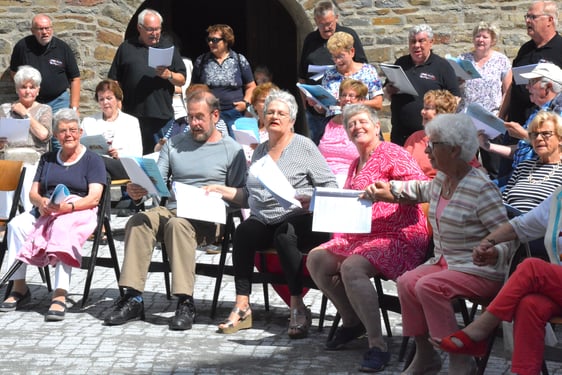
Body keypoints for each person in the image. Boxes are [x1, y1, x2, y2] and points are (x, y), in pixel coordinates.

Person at [367, 113, 516, 374]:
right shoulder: (442, 179)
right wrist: (389, 189)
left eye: (433, 144)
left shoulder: (482, 188)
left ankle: (459, 358)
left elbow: (508, 238)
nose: (427, 149)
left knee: (428, 286)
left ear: (455, 149)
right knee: (406, 281)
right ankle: (426, 356)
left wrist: (494, 251)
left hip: (480, 270)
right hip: (446, 263)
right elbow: (418, 189)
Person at [103, 90, 247, 331]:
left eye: (200, 117)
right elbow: (157, 180)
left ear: (215, 115)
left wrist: (218, 193)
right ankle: (133, 296)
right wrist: (141, 189)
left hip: (208, 218)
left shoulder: (231, 150)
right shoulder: (175, 144)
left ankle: (185, 301)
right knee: (140, 220)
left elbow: (241, 196)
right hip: (174, 209)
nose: (194, 123)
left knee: (178, 225)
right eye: (190, 118)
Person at [204, 90, 337, 338]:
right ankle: (242, 305)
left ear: (291, 120)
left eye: (281, 113)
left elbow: (330, 186)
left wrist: (311, 200)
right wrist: (220, 190)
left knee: (284, 236)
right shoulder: (260, 151)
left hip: (301, 217)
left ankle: (297, 306)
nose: (274, 116)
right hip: (265, 218)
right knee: (244, 232)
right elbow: (249, 195)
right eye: (270, 112)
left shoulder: (304, 146)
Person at [307, 104, 430, 372]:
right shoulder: (354, 164)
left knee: (352, 266)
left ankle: (377, 345)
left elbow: (422, 187)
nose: (357, 127)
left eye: (363, 122)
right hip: (360, 235)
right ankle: (353, 321)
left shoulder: (392, 153)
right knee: (316, 259)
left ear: (377, 126)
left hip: (399, 233)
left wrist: (390, 192)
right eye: (351, 124)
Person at [433, 186, 562, 375]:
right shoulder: (559, 197)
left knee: (532, 267)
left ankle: (480, 330)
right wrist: (488, 243)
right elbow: (520, 226)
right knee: (530, 304)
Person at [0, 109, 106, 321]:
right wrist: (41, 203)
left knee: (62, 229)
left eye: (73, 130)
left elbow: (94, 198)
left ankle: (60, 293)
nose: (69, 135)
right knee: (16, 225)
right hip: (48, 209)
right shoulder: (48, 159)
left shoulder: (92, 160)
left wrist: (68, 208)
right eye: (63, 131)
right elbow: (32, 193)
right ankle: (19, 287)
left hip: (79, 211)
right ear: (56, 135)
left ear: (80, 132)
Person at [108, 8, 187, 155]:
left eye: (158, 29)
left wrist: (169, 74)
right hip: (132, 116)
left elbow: (182, 79)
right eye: (150, 30)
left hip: (161, 116)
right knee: (133, 156)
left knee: (163, 157)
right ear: (139, 28)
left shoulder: (168, 46)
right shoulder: (126, 47)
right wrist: (117, 103)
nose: (155, 33)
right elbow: (114, 79)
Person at [498, 1, 562, 178]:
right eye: (527, 17)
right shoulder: (525, 49)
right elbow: (512, 85)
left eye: (532, 17)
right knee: (506, 179)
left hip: (543, 135)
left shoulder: (560, 48)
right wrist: (501, 117)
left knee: (529, 181)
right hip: (515, 128)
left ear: (549, 20)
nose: (528, 21)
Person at [479, 62, 562, 183]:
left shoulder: (558, 111)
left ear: (548, 87)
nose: (527, 87)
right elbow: (521, 149)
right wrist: (488, 146)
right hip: (518, 176)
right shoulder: (537, 112)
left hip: (539, 179)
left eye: (532, 82)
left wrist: (524, 135)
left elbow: (554, 147)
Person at [298, 0, 367, 144]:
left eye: (329, 23)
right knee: (320, 150)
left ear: (336, 18)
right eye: (322, 24)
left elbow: (363, 67)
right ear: (316, 21)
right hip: (316, 113)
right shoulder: (310, 40)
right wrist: (306, 101)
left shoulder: (349, 36)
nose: (327, 27)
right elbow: (302, 76)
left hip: (345, 111)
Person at [9, 14, 80, 152]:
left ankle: (63, 171)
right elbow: (13, 72)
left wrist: (74, 107)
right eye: (40, 29)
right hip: (31, 103)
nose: (45, 32)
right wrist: (26, 91)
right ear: (33, 30)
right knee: (30, 138)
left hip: (58, 100)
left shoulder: (62, 48)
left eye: (47, 28)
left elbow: (75, 78)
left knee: (61, 139)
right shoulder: (22, 47)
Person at [385, 24, 460, 146]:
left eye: (421, 41)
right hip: (400, 134)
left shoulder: (442, 66)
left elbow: (455, 99)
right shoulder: (401, 63)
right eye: (413, 42)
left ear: (431, 42)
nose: (416, 46)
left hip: (429, 135)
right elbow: (387, 93)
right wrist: (389, 90)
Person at [457, 22, 512, 179]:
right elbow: (455, 86)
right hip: (466, 119)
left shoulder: (501, 60)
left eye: (485, 36)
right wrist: (458, 80)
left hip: (490, 120)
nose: (480, 39)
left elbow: (508, 90)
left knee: (494, 167)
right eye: (477, 36)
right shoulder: (464, 59)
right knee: (465, 164)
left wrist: (501, 116)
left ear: (492, 40)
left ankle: (495, 198)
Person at [0, 65, 52, 217]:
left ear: (38, 90)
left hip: (34, 159)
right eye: (23, 87)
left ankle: (31, 218)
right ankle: (5, 221)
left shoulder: (44, 109)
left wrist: (25, 114)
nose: (28, 91)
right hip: (8, 158)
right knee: (5, 169)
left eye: (32, 87)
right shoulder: (5, 109)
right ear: (17, 89)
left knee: (28, 173)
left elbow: (43, 135)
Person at [191, 24, 256, 137]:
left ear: (226, 41)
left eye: (215, 40)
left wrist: (245, 104)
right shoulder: (201, 61)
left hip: (234, 113)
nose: (210, 43)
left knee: (236, 147)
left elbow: (251, 86)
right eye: (209, 40)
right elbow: (193, 87)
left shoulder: (239, 60)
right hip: (209, 114)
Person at [404, 90, 482, 178]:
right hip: (412, 186)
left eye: (427, 108)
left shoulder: (454, 140)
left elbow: (477, 170)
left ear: (441, 113)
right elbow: (402, 164)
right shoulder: (415, 137)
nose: (422, 111)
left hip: (441, 187)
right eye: (423, 107)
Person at [81, 79, 142, 180]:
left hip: (122, 165)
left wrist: (119, 154)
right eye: (101, 99)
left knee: (98, 163)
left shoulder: (131, 121)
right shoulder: (88, 121)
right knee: (100, 170)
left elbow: (137, 153)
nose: (105, 102)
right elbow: (81, 147)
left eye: (109, 98)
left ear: (118, 99)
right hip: (95, 167)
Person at [503, 110, 562, 213]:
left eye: (546, 134)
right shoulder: (523, 166)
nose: (538, 138)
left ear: (560, 138)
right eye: (534, 135)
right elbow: (504, 200)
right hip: (510, 224)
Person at [319, 32, 383, 117]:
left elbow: (378, 104)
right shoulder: (329, 74)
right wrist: (316, 104)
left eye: (340, 56)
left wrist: (356, 103)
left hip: (359, 121)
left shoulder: (368, 71)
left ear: (352, 52)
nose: (337, 61)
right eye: (334, 57)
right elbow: (323, 109)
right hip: (335, 124)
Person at [317, 79, 365, 187]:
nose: (347, 99)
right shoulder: (329, 123)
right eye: (344, 95)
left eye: (352, 96)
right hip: (322, 174)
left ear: (361, 100)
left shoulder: (363, 126)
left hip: (347, 177)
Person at [240, 81, 278, 164]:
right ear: (255, 105)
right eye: (263, 101)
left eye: (271, 100)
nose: (267, 104)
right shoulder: (246, 128)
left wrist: (259, 149)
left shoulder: (279, 128)